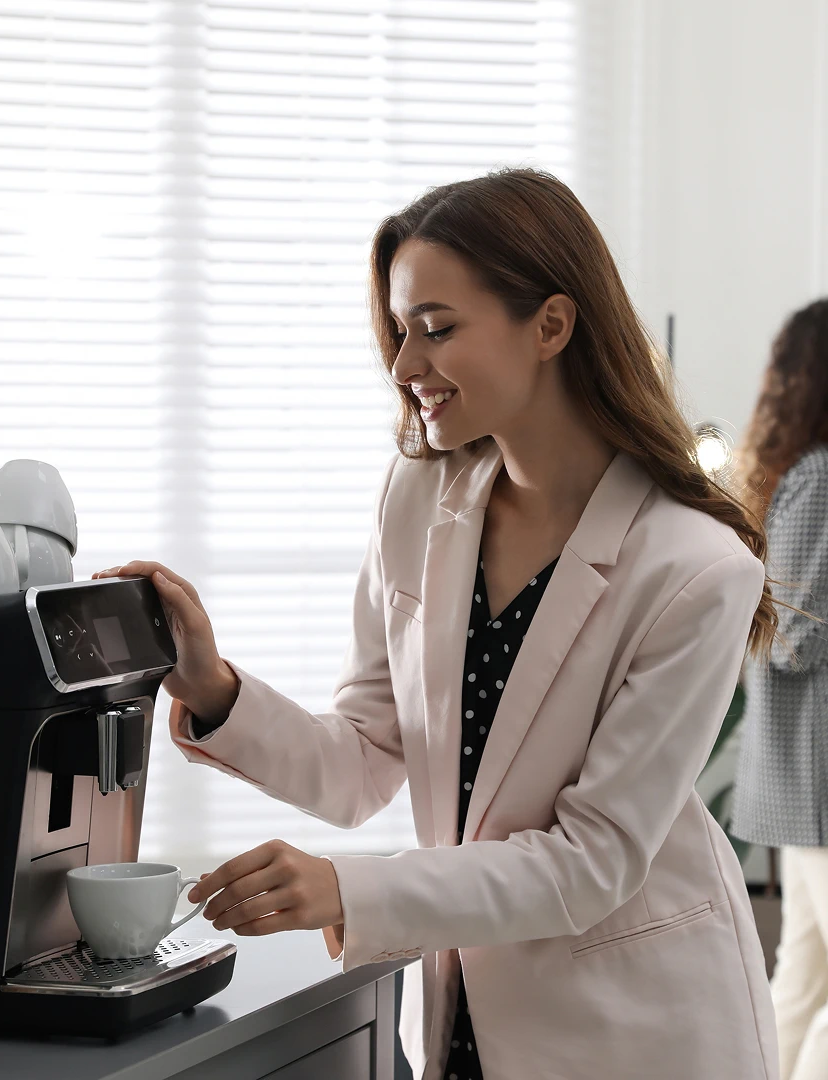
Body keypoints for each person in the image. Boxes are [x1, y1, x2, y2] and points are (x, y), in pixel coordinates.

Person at [96, 168, 781, 1079]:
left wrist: (347, 887)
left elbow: (591, 862)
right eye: (399, 331)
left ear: (552, 324)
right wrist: (213, 687)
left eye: (436, 328)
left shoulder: (695, 568)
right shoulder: (418, 498)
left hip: (636, 1028)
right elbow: (364, 759)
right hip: (461, 1014)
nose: (404, 365)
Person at [731, 298, 828, 1080]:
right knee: (803, 975)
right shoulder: (824, 478)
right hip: (819, 781)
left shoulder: (801, 474)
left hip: (807, 784)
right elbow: (790, 635)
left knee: (802, 976)